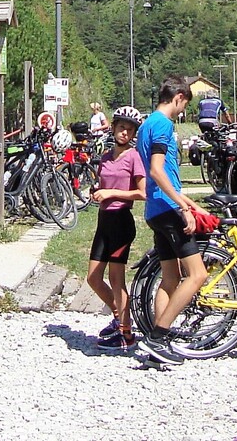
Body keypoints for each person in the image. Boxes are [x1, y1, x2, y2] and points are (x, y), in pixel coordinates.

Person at [134, 78, 206, 367]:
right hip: (166, 207)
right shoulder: (163, 125)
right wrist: (181, 205)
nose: (183, 111)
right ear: (178, 97)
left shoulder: (146, 124)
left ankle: (156, 342)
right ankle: (159, 336)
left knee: (171, 278)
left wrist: (186, 201)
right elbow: (157, 170)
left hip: (154, 208)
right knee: (197, 275)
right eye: (185, 105)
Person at [86, 105, 147, 349]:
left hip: (122, 220)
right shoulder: (105, 158)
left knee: (116, 279)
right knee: (93, 277)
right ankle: (119, 317)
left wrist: (112, 192)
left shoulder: (134, 157)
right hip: (104, 221)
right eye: (122, 127)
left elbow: (142, 193)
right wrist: (97, 193)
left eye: (130, 130)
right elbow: (102, 186)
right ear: (113, 128)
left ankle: (127, 334)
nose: (125, 133)